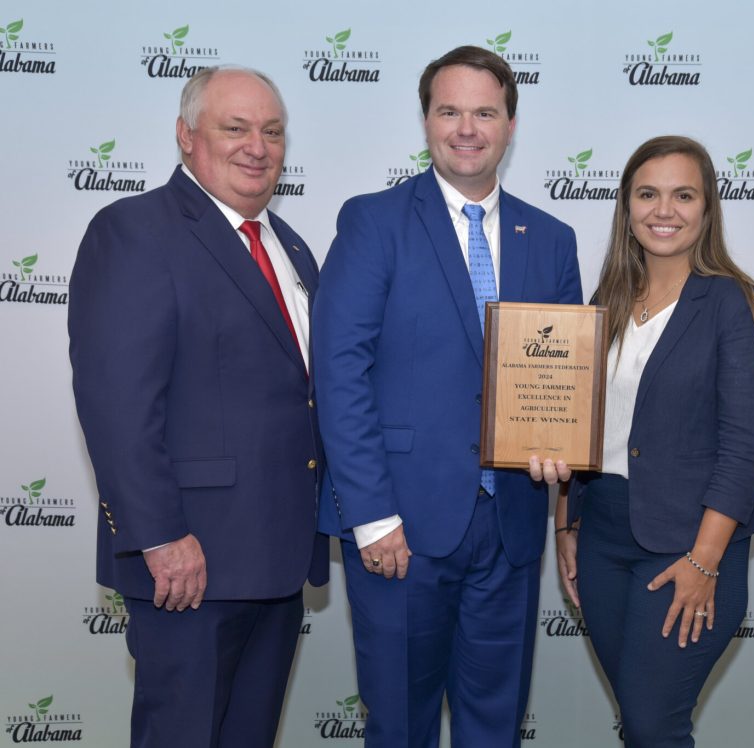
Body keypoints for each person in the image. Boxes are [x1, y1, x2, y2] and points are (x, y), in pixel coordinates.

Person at [312, 46, 582, 747]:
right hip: (401, 524)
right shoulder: (374, 221)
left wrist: (560, 452)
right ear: (427, 121)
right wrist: (369, 516)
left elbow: (565, 386)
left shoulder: (552, 240)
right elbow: (339, 372)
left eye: (485, 112)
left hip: (512, 527)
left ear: (511, 124)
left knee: (495, 725)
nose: (467, 128)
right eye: (450, 111)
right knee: (399, 724)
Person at [68, 66, 328, 747]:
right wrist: (158, 536)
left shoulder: (290, 244)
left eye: (272, 131)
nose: (258, 146)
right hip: (187, 564)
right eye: (234, 128)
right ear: (187, 137)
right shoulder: (134, 231)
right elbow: (118, 403)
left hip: (276, 559)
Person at [546, 135, 754, 747]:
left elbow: (743, 453)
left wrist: (704, 562)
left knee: (656, 725)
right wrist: (565, 525)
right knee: (638, 723)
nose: (664, 210)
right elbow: (575, 425)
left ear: (708, 209)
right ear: (627, 207)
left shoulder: (740, 306)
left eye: (683, 195)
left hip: (687, 549)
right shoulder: (607, 303)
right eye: (647, 194)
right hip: (602, 540)